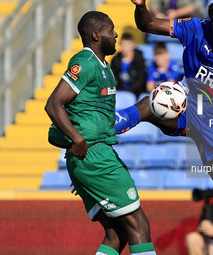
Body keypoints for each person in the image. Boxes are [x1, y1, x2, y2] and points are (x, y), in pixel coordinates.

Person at [116, 0, 213, 254]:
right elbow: (146, 23)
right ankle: (101, 129)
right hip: (186, 105)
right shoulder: (195, 29)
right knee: (151, 102)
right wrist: (141, 5)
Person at [45, 11, 156, 255]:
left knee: (118, 233)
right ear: (97, 35)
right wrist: (78, 140)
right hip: (95, 157)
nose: (115, 34)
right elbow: (53, 103)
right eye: (110, 29)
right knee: (139, 225)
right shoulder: (85, 63)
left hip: (91, 159)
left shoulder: (103, 66)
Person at [111, 32, 146, 97]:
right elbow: (112, 78)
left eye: (127, 45)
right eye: (122, 45)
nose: (124, 48)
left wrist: (127, 92)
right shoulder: (115, 60)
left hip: (136, 93)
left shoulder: (139, 59)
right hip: (119, 92)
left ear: (133, 45)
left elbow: (141, 80)